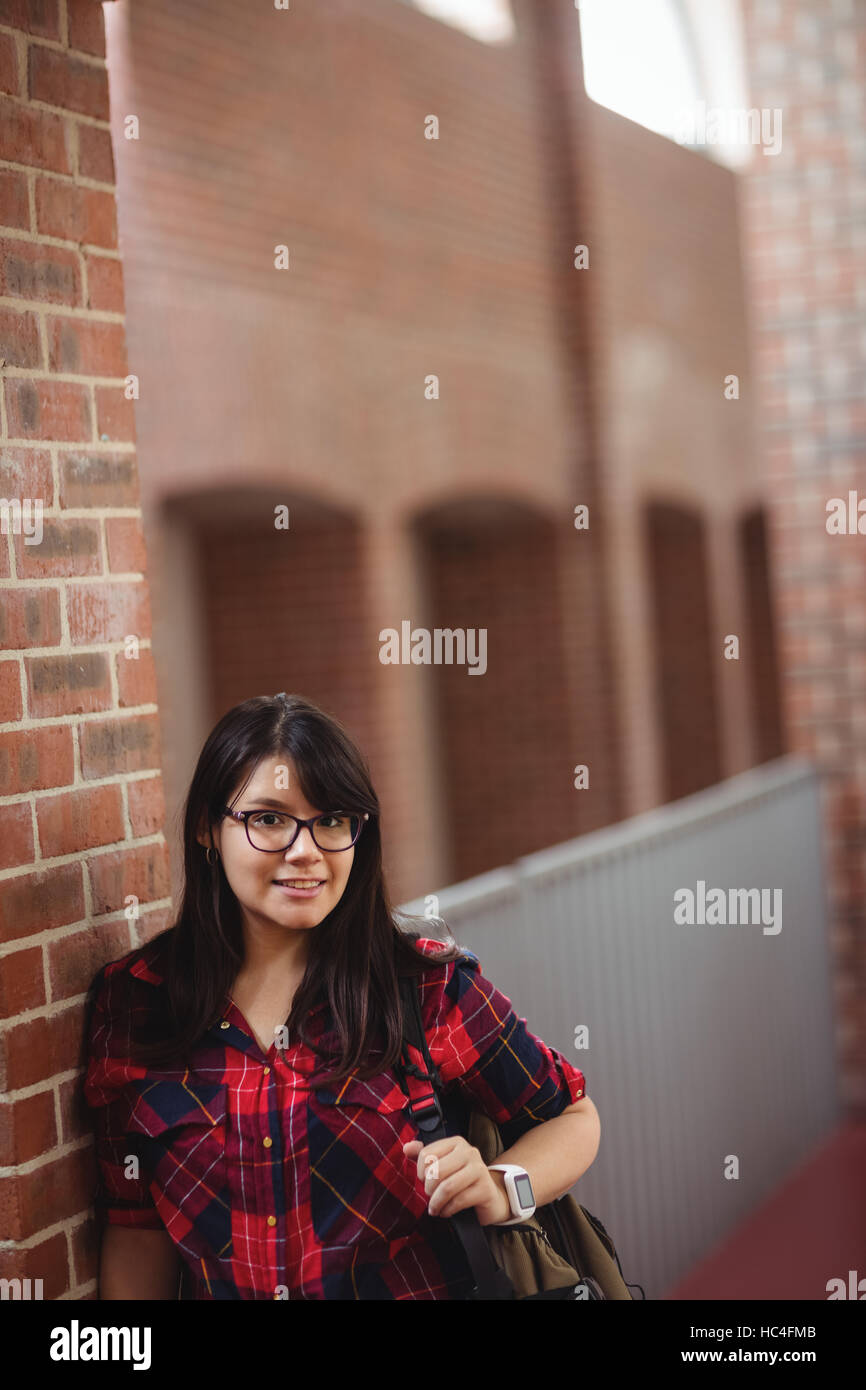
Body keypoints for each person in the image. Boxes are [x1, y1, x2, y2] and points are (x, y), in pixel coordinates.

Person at [82, 692, 600, 1300]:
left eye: (330, 821)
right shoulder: (137, 1002)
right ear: (206, 828)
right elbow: (137, 1228)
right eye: (269, 819)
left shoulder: (424, 989)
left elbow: (572, 1116)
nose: (306, 851)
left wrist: (500, 1184)